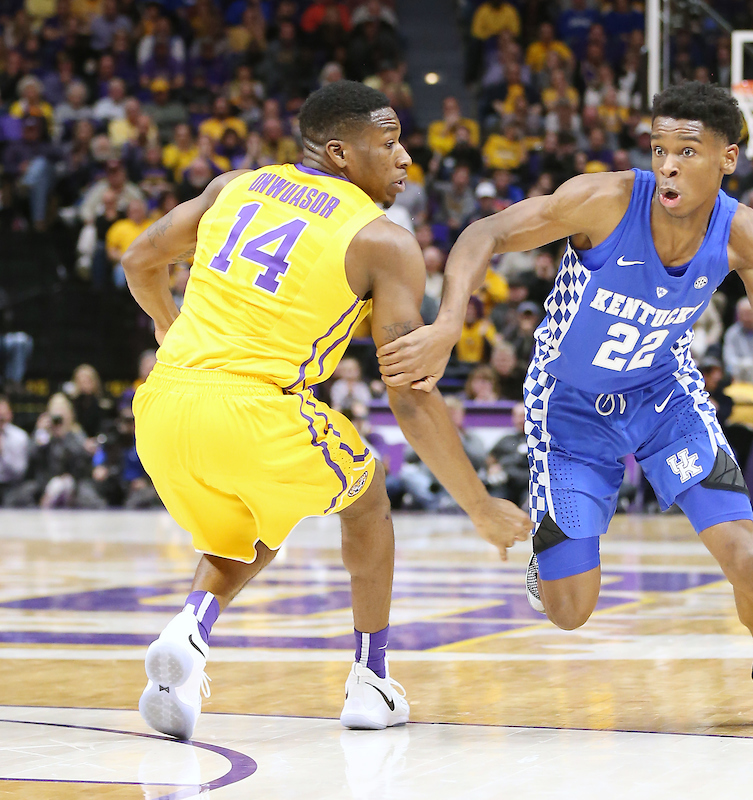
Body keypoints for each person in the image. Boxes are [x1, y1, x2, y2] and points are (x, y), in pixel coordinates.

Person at [375, 82, 753, 733]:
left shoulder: (744, 234)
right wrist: (450, 322)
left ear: (728, 158)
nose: (668, 164)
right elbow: (486, 232)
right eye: (659, 149)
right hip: (570, 408)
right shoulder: (607, 199)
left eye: (687, 150)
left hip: (662, 399)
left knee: (748, 559)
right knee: (570, 611)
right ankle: (551, 548)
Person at [120, 82, 530, 741]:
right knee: (365, 501)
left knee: (252, 526)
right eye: (389, 144)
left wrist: (170, 328)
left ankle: (189, 632)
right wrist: (479, 505)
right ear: (340, 153)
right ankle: (371, 681)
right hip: (256, 407)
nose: (405, 160)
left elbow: (140, 260)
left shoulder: (234, 186)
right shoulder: (383, 240)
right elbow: (408, 393)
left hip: (163, 403)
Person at [0, 395, 30, 502]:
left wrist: (3, 454)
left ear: (10, 415)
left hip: (11, 486)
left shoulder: (20, 436)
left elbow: (20, 471)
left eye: (3, 416)